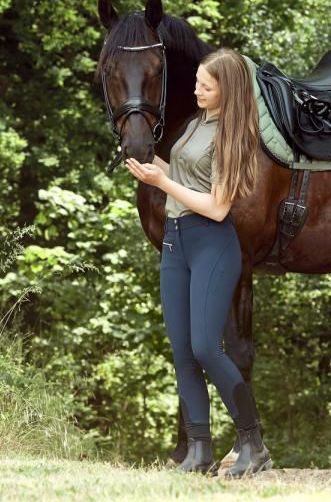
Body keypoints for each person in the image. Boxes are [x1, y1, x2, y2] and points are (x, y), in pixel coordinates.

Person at [124, 48, 270, 477]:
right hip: (176, 243)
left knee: (206, 346)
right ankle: (199, 452)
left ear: (228, 90)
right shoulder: (193, 125)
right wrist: (152, 166)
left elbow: (218, 207)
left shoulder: (232, 134)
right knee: (183, 353)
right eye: (196, 83)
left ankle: (253, 442)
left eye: (206, 85)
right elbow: (186, 178)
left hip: (211, 243)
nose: (197, 90)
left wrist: (163, 181)